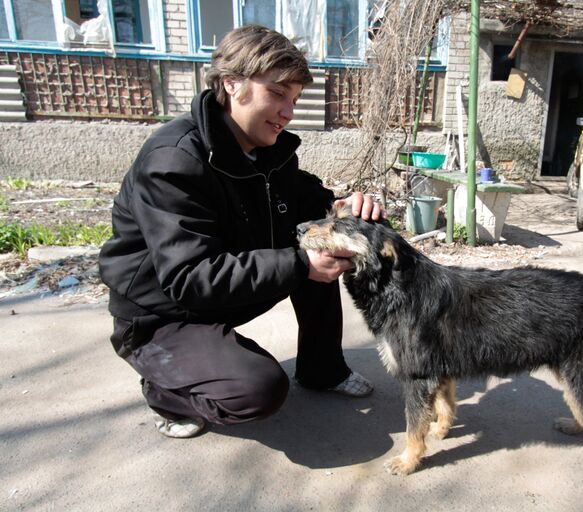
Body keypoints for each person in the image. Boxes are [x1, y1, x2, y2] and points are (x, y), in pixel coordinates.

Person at [98, 25, 383, 439]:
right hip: (163, 314)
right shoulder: (173, 162)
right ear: (232, 84)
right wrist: (300, 264)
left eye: (295, 99)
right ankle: (164, 389)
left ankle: (322, 370)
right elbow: (188, 277)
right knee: (258, 391)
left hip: (224, 294)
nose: (289, 111)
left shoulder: (267, 148)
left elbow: (307, 202)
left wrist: (344, 207)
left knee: (323, 244)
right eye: (278, 94)